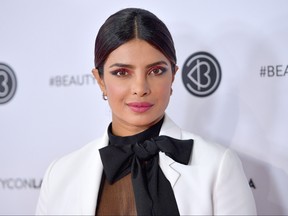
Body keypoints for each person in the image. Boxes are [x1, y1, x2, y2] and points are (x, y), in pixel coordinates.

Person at [36, 8, 257, 215]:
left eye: (156, 71)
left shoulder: (218, 166)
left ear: (173, 75)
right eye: (122, 72)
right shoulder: (60, 175)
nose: (140, 88)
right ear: (100, 80)